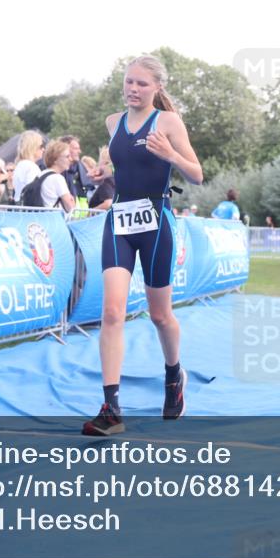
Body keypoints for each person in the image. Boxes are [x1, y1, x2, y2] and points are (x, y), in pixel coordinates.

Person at [83, 54, 203, 437]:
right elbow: (122, 164)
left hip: (156, 221)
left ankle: (173, 376)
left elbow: (197, 174)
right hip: (120, 220)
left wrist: (170, 154)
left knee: (160, 316)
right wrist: (104, 172)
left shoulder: (168, 122)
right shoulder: (112, 122)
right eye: (129, 81)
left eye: (142, 84)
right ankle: (111, 408)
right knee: (112, 311)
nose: (133, 89)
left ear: (157, 88)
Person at [30, 140, 76, 210]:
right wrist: (71, 199)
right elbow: (71, 206)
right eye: (67, 156)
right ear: (55, 159)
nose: (71, 159)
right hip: (53, 218)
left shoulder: (41, 175)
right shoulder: (57, 178)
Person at [13, 130, 45, 203]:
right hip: (29, 210)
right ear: (32, 147)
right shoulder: (31, 167)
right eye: (41, 146)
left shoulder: (21, 165)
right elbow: (32, 192)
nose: (43, 149)